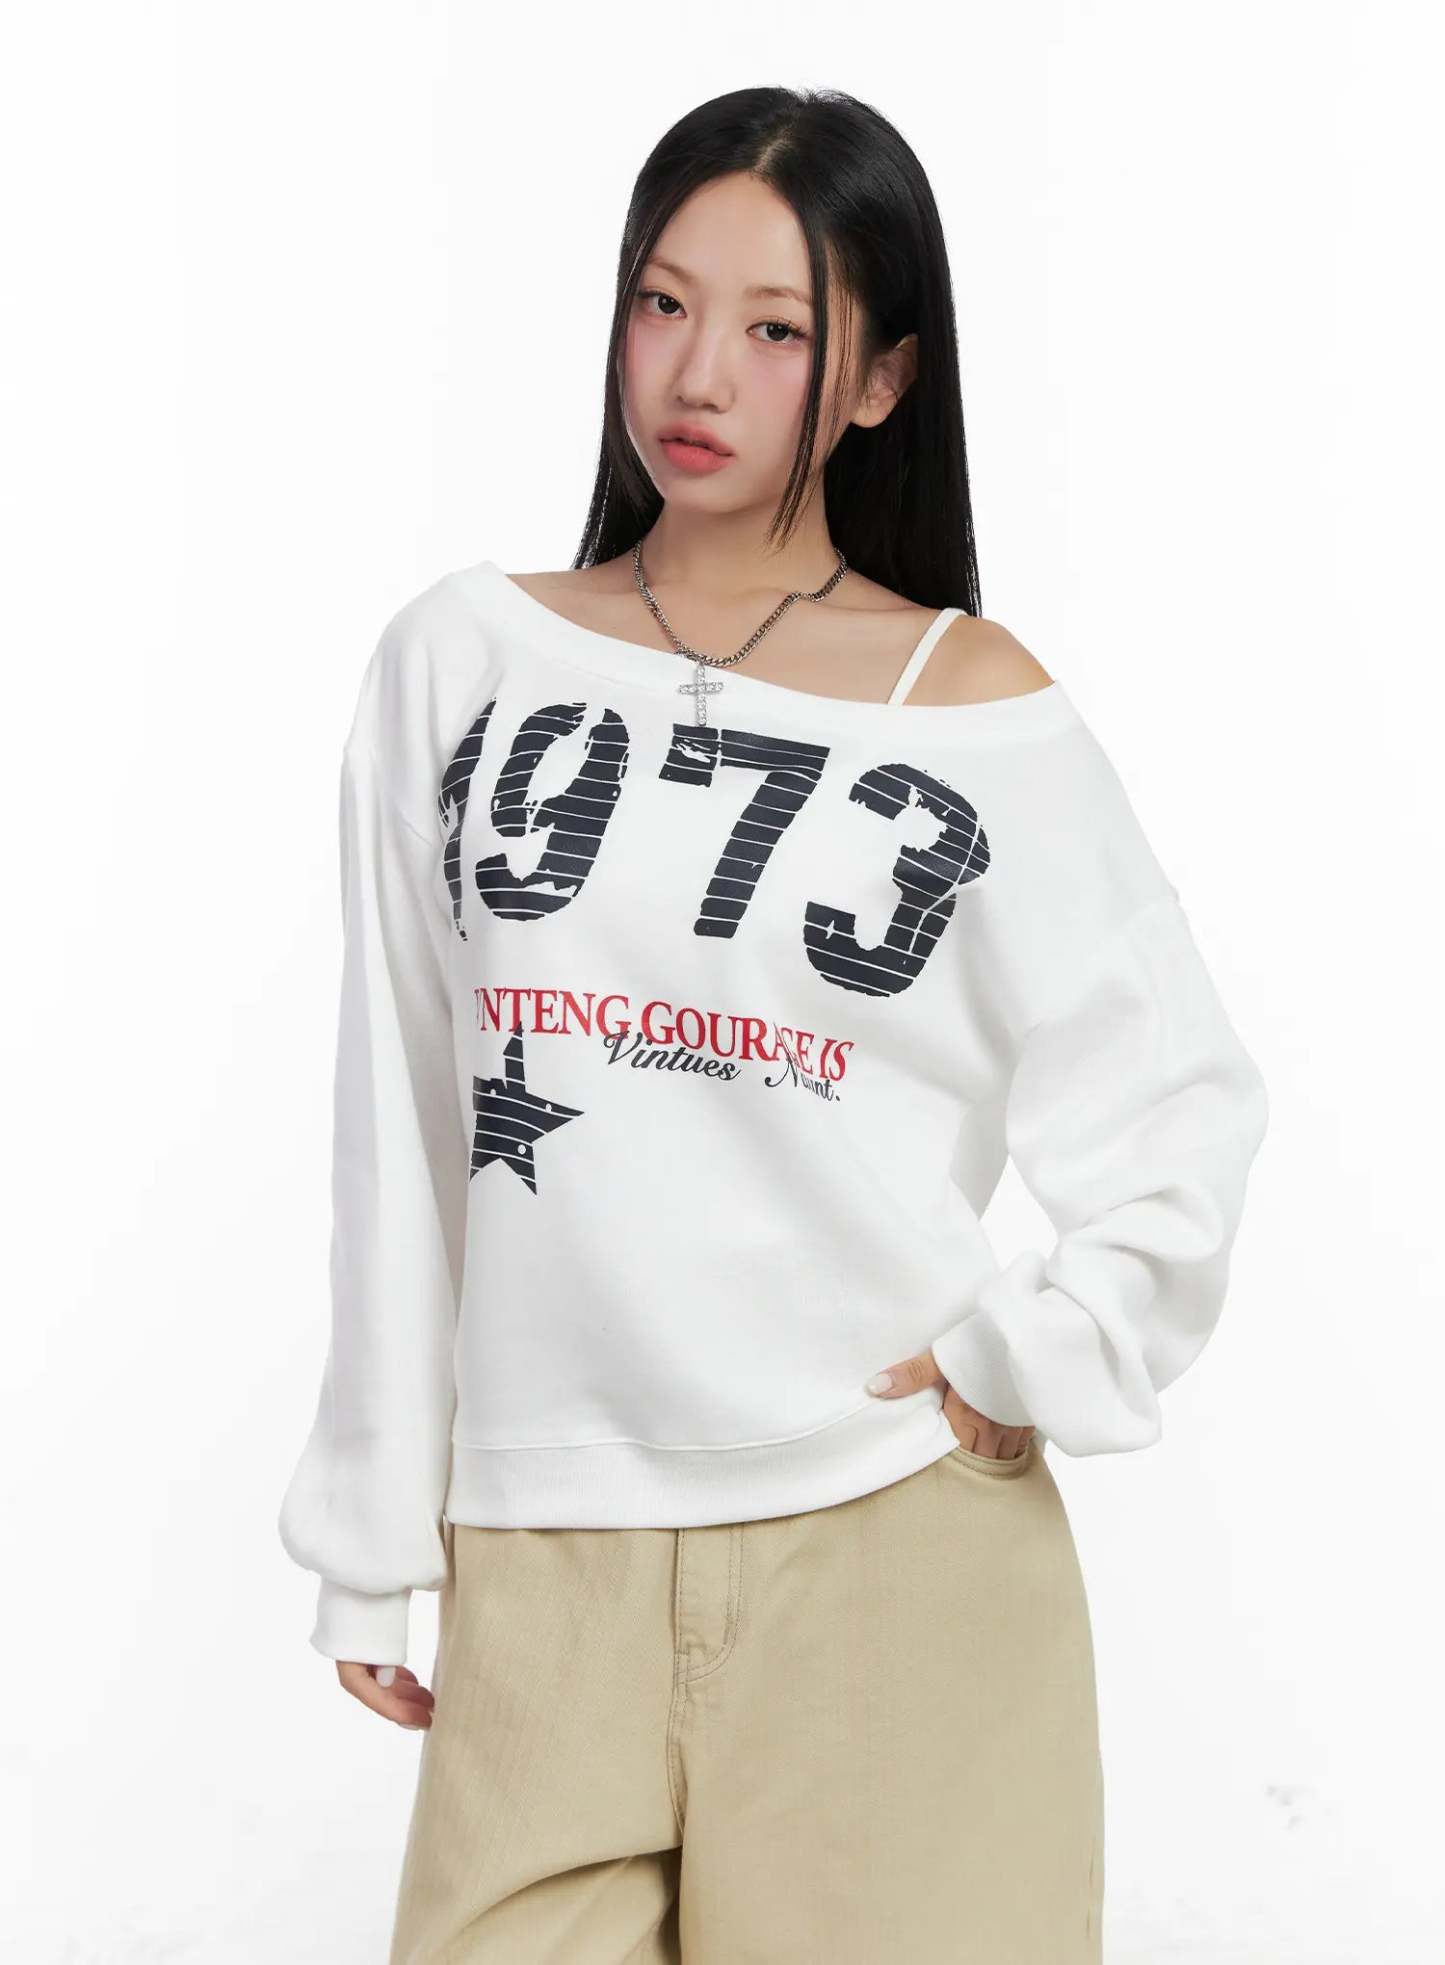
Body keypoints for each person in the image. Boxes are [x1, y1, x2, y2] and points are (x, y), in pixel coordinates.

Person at [278, 84, 1269, 1964]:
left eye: (776, 328)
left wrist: (1030, 1349)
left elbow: (1179, 1104)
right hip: (545, 1556)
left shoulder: (972, 707)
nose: (697, 372)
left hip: (890, 1551)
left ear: (881, 378)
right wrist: (370, 1532)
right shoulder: (461, 659)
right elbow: (398, 1114)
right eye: (662, 302)